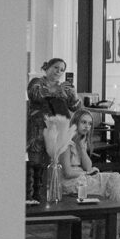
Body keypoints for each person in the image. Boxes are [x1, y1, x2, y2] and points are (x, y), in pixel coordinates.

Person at [62, 109, 120, 239]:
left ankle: (112, 232)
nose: (87, 126)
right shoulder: (66, 142)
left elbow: (88, 166)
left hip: (82, 178)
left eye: (89, 124)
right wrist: (86, 172)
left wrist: (82, 149)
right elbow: (67, 172)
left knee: (116, 179)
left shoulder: (80, 141)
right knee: (114, 182)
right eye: (83, 122)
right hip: (70, 183)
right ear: (75, 122)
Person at [27, 58, 80, 198]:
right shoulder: (36, 83)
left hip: (57, 136)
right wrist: (58, 90)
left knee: (52, 170)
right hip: (37, 133)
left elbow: (75, 106)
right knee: (35, 169)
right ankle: (33, 202)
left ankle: (49, 201)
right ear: (47, 67)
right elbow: (36, 95)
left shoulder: (65, 87)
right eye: (56, 67)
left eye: (62, 69)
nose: (59, 71)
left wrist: (73, 92)